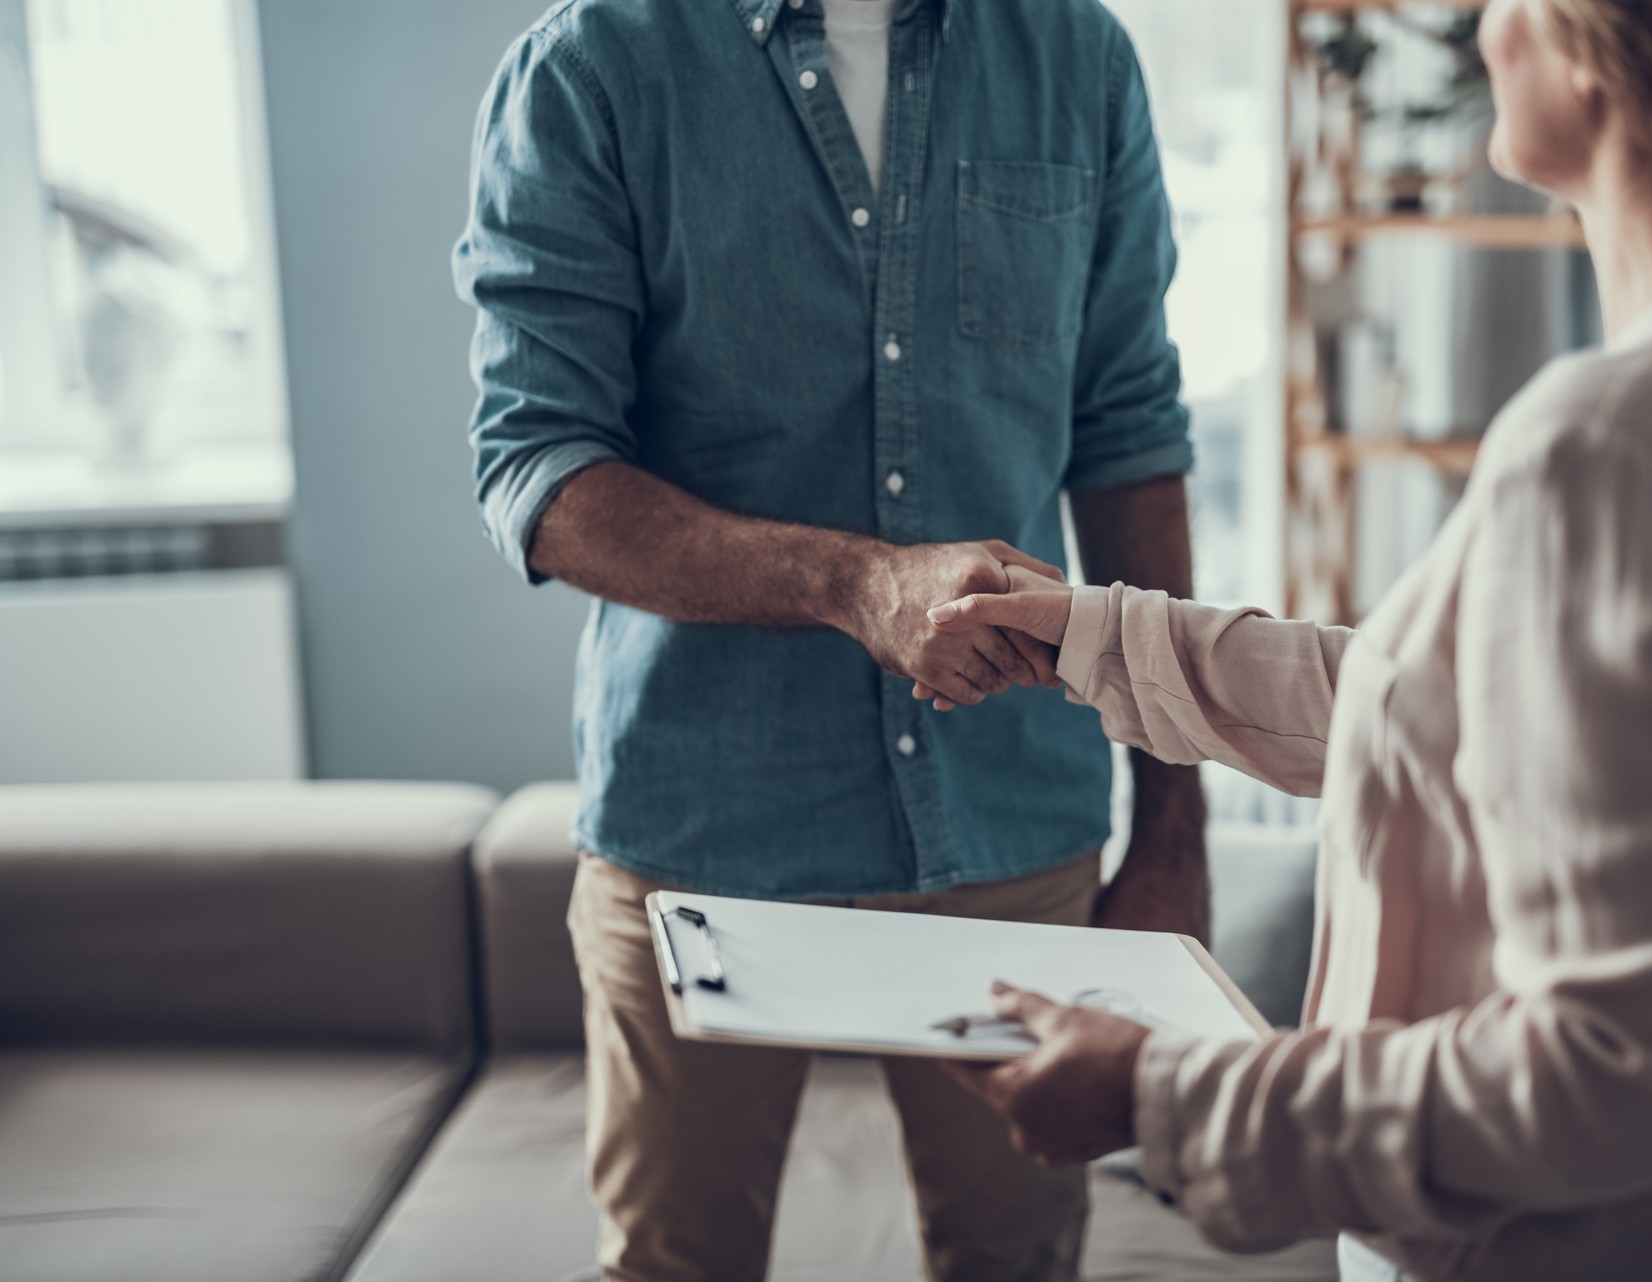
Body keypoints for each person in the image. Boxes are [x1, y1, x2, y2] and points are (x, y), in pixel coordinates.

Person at [924, 1, 1652, 1278]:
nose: (1485, 29)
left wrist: (1164, 1096)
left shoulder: (1614, 448)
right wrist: (1096, 638)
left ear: (1604, 45)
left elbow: (1620, 1066)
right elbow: (1476, 721)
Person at [451, 0, 1207, 1278]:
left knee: (1019, 1264)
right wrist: (858, 585)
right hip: (698, 838)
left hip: (1013, 818)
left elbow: (1128, 428)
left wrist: (1174, 826)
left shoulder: (1078, 55)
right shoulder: (592, 65)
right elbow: (539, 469)